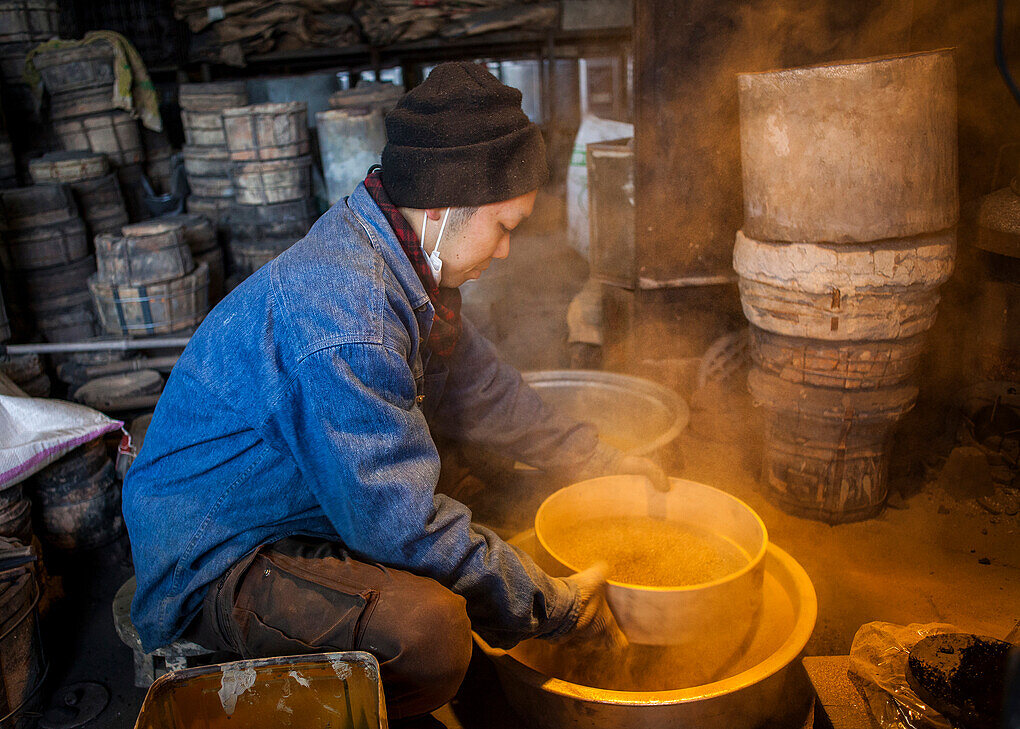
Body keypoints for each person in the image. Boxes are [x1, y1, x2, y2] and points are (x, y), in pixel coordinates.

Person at [122, 61, 666, 720]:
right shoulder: (351, 320)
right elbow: (401, 529)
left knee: (484, 471)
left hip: (294, 506)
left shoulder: (396, 254)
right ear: (441, 208)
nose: (506, 251)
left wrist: (597, 462)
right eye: (504, 227)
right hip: (217, 562)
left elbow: (483, 389)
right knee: (432, 635)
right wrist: (554, 607)